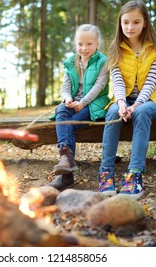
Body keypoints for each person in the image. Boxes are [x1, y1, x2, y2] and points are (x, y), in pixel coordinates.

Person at [97, 0, 156, 199]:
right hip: (124, 98)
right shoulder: (116, 49)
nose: (130, 27)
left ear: (145, 23)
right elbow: (117, 81)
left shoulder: (154, 48)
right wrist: (121, 104)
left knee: (142, 112)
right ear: (120, 23)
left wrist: (136, 105)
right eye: (126, 22)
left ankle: (135, 175)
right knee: (112, 113)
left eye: (136, 22)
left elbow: (150, 83)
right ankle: (106, 173)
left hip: (151, 98)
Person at [47, 24, 110, 191]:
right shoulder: (71, 62)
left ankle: (65, 177)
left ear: (97, 43)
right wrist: (67, 98)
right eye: (80, 44)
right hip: (73, 102)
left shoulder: (103, 62)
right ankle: (66, 158)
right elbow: (66, 86)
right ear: (76, 44)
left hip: (94, 103)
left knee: (69, 123)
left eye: (89, 44)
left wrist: (83, 103)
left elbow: (99, 87)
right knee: (60, 111)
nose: (84, 48)